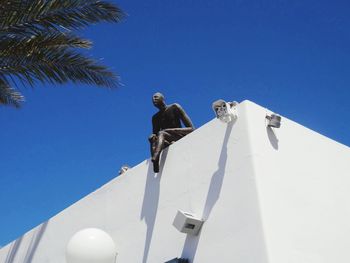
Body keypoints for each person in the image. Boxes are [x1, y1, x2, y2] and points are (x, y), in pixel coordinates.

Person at [149, 92, 194, 172]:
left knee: (162, 133)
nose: (154, 99)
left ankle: (156, 156)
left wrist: (168, 130)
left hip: (178, 137)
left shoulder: (174, 107)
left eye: (156, 97)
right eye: (152, 99)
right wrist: (152, 137)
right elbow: (156, 135)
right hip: (166, 141)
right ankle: (155, 164)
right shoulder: (155, 118)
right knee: (153, 138)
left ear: (163, 98)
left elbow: (191, 129)